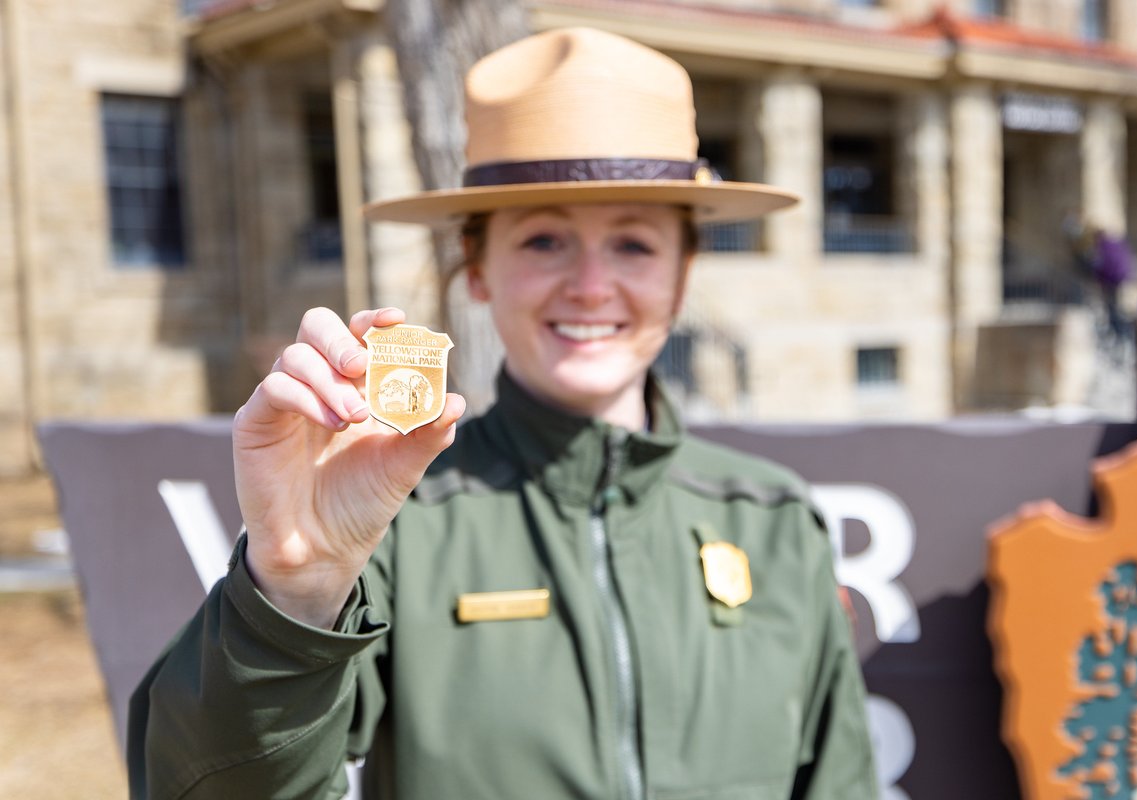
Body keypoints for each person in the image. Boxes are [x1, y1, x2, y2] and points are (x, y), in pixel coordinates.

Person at [127, 27, 877, 800]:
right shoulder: (390, 523)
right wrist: (293, 594)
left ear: (684, 274)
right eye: (545, 240)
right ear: (478, 270)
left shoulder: (775, 522)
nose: (590, 286)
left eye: (635, 245)